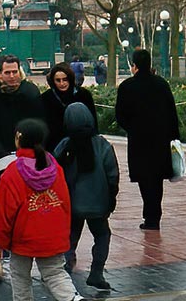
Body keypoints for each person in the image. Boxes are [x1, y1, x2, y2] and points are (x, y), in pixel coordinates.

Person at [0, 118, 86, 301]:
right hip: (52, 234)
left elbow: (5, 214)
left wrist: (1, 243)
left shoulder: (12, 173)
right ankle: (74, 299)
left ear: (18, 137)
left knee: (20, 277)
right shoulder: (55, 168)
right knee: (54, 274)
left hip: (23, 238)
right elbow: (65, 203)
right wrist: (63, 233)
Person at [54, 103, 119, 292]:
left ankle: (64, 268)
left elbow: (53, 171)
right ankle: (96, 272)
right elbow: (112, 175)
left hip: (71, 203)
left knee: (71, 236)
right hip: (98, 203)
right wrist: (111, 198)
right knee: (102, 235)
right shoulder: (102, 144)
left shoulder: (65, 145)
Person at [114, 49, 180, 230]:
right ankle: (154, 216)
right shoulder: (161, 84)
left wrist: (132, 128)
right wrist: (174, 136)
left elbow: (120, 115)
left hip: (139, 140)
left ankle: (149, 216)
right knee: (157, 179)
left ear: (134, 65)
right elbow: (172, 113)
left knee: (144, 178)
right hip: (160, 139)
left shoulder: (127, 86)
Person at [0, 55, 45, 170]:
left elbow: (40, 125)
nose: (12, 76)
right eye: (7, 73)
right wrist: (1, 154)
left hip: (28, 156)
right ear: (0, 74)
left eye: (15, 72)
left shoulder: (30, 92)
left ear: (20, 71)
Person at [41, 63, 98, 152]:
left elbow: (93, 121)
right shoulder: (46, 98)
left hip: (82, 145)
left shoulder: (84, 95)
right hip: (55, 146)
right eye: (58, 80)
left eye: (65, 79)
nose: (62, 83)